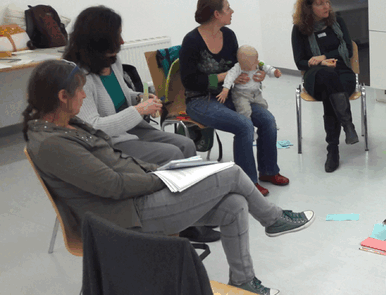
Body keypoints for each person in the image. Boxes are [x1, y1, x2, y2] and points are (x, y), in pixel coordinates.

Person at [23, 60, 316, 295]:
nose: (85, 95)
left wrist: (158, 171)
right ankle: (273, 219)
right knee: (231, 172)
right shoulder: (53, 144)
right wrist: (160, 180)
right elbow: (112, 185)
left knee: (236, 203)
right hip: (125, 215)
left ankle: (243, 281)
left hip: (137, 195)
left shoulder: (68, 124)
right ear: (62, 97)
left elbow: (120, 162)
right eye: (79, 90)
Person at [181, 0, 289, 196]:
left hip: (230, 94)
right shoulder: (192, 41)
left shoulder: (229, 36)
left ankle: (268, 171)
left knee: (267, 119)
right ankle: (247, 182)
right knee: (244, 125)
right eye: (228, 7)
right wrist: (223, 77)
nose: (232, 11)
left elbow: (238, 66)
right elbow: (190, 81)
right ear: (216, 14)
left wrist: (253, 75)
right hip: (200, 100)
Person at [64, 6, 196, 167]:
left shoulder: (112, 62)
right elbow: (94, 127)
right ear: (99, 40)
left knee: (187, 144)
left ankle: (195, 187)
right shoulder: (78, 76)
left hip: (131, 129)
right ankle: (176, 189)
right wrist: (140, 110)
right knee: (172, 153)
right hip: (107, 140)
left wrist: (140, 98)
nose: (122, 41)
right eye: (117, 36)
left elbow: (123, 94)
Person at [291, 0, 360, 172]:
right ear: (308, 8)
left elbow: (347, 48)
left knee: (332, 90)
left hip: (342, 71)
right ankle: (347, 125)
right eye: (320, 4)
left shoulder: (338, 22)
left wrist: (324, 56)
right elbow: (300, 62)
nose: (326, 7)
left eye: (327, 2)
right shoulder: (299, 30)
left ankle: (333, 150)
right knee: (328, 77)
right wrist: (320, 64)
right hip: (315, 76)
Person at [216, 45, 282, 118]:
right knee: (244, 111)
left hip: (256, 93)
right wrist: (225, 89)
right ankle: (247, 123)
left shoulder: (259, 63)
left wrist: (274, 73)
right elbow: (229, 77)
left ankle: (262, 119)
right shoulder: (237, 67)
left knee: (264, 105)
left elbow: (268, 68)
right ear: (242, 65)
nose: (255, 65)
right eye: (251, 65)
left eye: (256, 61)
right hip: (241, 94)